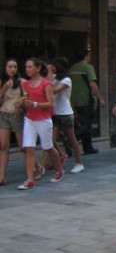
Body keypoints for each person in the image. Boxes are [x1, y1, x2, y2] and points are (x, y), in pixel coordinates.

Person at [17, 58, 65, 190]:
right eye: (26, 67)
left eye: (30, 67)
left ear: (38, 68)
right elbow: (26, 97)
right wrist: (21, 103)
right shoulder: (26, 84)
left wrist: (35, 104)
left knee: (48, 147)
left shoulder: (46, 84)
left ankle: (59, 169)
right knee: (29, 147)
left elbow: (51, 103)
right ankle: (30, 179)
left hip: (43, 119)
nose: (27, 69)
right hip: (30, 119)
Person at [48, 58, 85, 174]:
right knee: (50, 140)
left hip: (66, 114)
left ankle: (79, 163)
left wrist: (49, 77)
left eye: (53, 66)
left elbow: (53, 91)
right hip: (56, 113)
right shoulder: (54, 79)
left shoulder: (66, 80)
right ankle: (61, 155)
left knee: (71, 139)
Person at [69, 47, 105, 154]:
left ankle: (88, 147)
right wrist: (100, 98)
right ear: (85, 56)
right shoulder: (88, 67)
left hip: (74, 100)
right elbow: (92, 84)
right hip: (86, 99)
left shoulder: (71, 69)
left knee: (83, 123)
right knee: (87, 124)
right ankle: (71, 139)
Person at [0, 58, 26, 186]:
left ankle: (37, 167)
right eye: (10, 67)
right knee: (4, 146)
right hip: (4, 114)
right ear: (5, 68)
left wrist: (21, 103)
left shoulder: (21, 82)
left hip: (16, 115)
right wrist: (4, 89)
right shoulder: (3, 83)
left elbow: (27, 96)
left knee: (22, 146)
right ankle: (2, 177)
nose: (12, 69)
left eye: (15, 67)